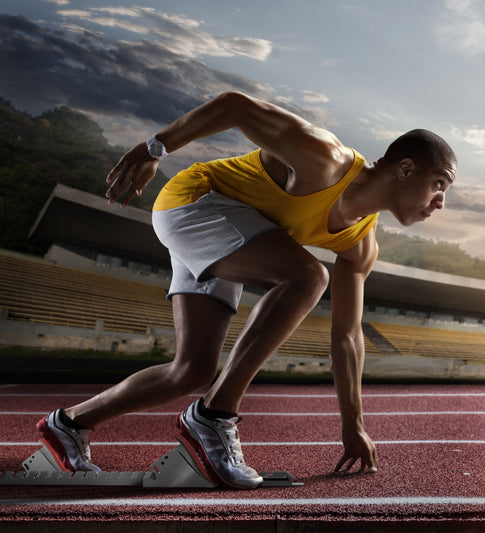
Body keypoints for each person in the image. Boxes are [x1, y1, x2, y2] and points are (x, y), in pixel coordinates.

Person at [36, 91, 457, 488]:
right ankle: (214, 416)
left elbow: (347, 336)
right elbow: (236, 106)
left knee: (192, 370)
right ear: (404, 169)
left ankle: (68, 425)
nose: (441, 202)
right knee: (308, 276)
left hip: (234, 234)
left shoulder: (361, 245)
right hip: (195, 202)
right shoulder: (326, 159)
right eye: (440, 183)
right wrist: (154, 148)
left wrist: (354, 425)